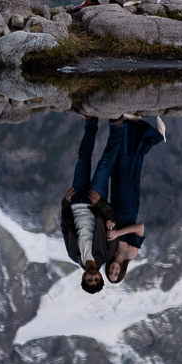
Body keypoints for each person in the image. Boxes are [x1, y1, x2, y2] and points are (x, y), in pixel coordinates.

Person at [98, 114, 161, 285]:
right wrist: (118, 233)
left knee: (119, 165)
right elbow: (140, 228)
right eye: (116, 273)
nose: (113, 270)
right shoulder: (130, 253)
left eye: (110, 271)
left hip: (116, 203)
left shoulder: (110, 251)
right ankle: (151, 136)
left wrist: (110, 227)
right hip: (128, 206)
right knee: (130, 166)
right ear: (121, 272)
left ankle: (131, 124)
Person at [61, 116, 119, 293]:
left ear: (83, 278)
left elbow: (65, 226)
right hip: (95, 201)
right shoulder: (107, 254)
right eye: (96, 279)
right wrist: (100, 203)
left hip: (77, 201)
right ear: (100, 277)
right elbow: (114, 223)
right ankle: (117, 126)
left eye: (89, 280)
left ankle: (91, 120)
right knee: (105, 164)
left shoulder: (73, 254)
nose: (92, 276)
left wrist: (65, 203)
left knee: (83, 158)